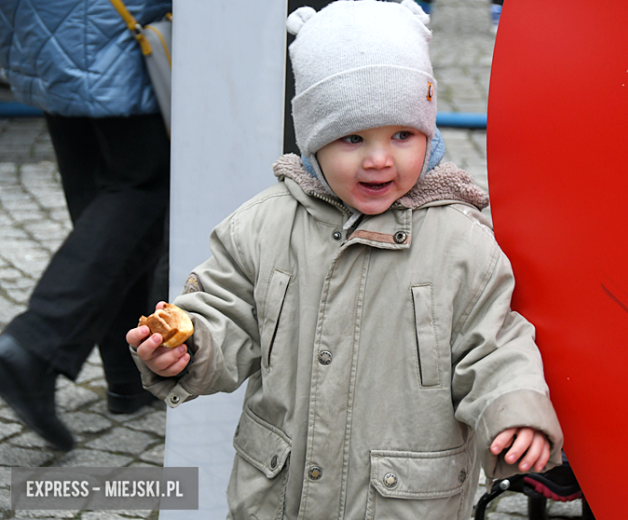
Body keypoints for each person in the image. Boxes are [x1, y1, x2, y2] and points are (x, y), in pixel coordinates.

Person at [127, 1, 563, 518]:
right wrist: (189, 348)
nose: (379, 158)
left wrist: (513, 413)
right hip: (276, 497)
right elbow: (226, 315)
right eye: (353, 137)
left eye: (402, 135)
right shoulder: (263, 227)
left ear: (430, 133)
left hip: (404, 503)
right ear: (313, 139)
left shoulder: (461, 244)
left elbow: (492, 347)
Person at [0, 0, 171, 452]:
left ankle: (128, 378)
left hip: (42, 25)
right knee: (146, 188)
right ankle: (36, 343)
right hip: (114, 23)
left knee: (101, 193)